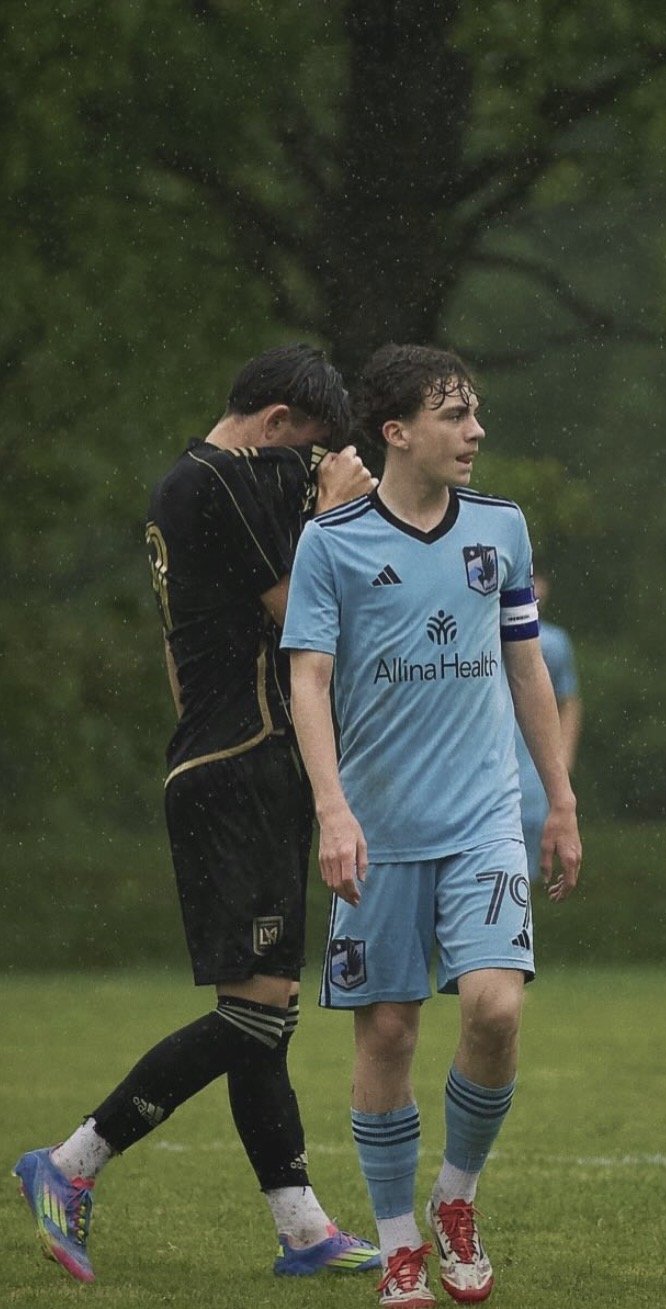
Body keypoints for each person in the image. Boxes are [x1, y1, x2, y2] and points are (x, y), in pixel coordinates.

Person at [12, 344, 381, 1285]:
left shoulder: (208, 480)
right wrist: (336, 514)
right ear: (274, 421)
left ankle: (302, 1228)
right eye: (302, 448)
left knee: (268, 1008)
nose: (303, 469)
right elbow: (302, 612)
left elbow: (191, 651)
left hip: (244, 760)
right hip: (241, 762)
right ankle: (67, 1163)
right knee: (256, 1014)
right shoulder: (215, 482)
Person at [281, 344, 582, 1307]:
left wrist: (560, 797)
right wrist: (332, 808)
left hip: (485, 818)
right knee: (390, 1035)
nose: (477, 431)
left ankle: (456, 1198)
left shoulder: (502, 527)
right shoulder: (332, 543)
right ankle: (400, 1242)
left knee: (494, 1006)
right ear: (397, 430)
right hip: (377, 830)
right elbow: (309, 681)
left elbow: (528, 667)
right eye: (455, 415)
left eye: (477, 411)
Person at [515, 570, 583, 879]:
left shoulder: (553, 643)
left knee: (527, 877)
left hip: (533, 779)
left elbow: (569, 701)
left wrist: (562, 763)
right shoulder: (482, 635)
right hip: (486, 774)